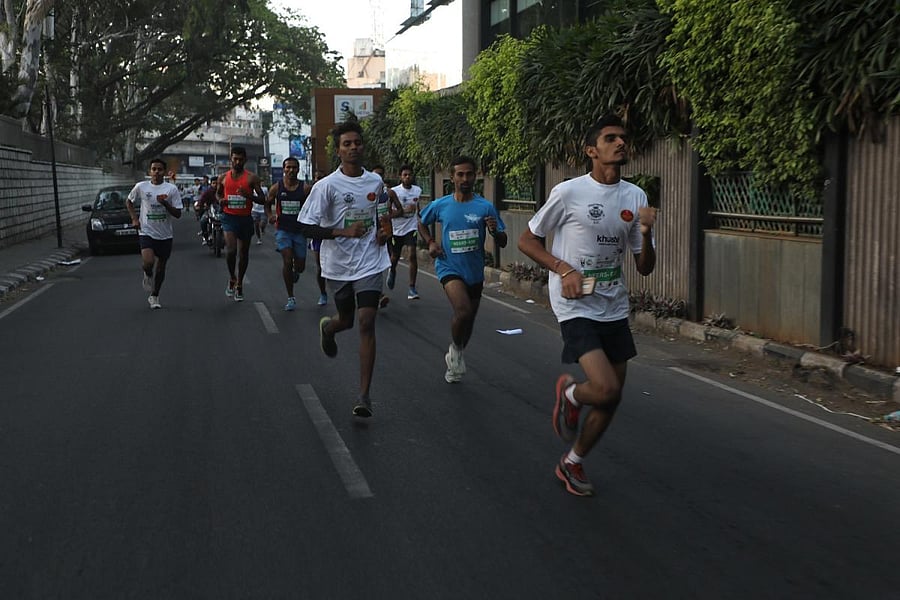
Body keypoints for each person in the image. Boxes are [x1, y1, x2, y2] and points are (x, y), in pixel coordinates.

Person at [517, 115, 657, 497]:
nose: (621, 143)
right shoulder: (568, 192)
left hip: (613, 303)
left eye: (623, 137)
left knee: (612, 399)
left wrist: (646, 233)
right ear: (591, 150)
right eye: (611, 138)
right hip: (574, 303)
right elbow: (527, 240)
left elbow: (645, 267)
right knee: (605, 388)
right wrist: (563, 269)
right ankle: (570, 395)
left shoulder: (635, 197)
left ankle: (572, 462)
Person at [298, 120, 392, 418]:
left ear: (363, 147)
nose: (353, 148)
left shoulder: (376, 183)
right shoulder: (326, 186)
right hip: (338, 265)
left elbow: (382, 214)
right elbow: (306, 227)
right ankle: (330, 328)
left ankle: (364, 396)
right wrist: (343, 232)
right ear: (338, 151)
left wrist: (384, 231)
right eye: (347, 144)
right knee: (347, 321)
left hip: (370, 261)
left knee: (366, 321)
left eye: (357, 143)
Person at [417, 155, 508, 383]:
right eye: (460, 174)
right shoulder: (441, 205)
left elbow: (503, 241)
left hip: (474, 271)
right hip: (449, 266)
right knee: (463, 310)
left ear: (475, 176)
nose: (465, 179)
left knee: (469, 321)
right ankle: (456, 353)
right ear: (452, 177)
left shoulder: (485, 207)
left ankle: (455, 353)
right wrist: (430, 242)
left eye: (469, 174)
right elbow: (421, 222)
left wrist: (495, 231)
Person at [126, 157, 183, 309]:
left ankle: (155, 295)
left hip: (165, 234)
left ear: (164, 172)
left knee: (161, 267)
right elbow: (129, 201)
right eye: (154, 169)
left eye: (160, 169)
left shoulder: (171, 189)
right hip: (146, 231)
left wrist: (165, 204)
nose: (156, 172)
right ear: (150, 171)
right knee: (148, 262)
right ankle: (147, 273)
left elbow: (178, 214)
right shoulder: (141, 186)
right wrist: (134, 219)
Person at [216, 147, 266, 302]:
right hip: (229, 217)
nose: (237, 162)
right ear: (230, 159)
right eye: (235, 159)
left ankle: (240, 283)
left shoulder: (252, 178)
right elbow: (218, 193)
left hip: (245, 219)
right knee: (231, 250)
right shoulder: (223, 177)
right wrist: (220, 200)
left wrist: (249, 196)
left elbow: (262, 199)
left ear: (245, 160)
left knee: (243, 253)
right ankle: (232, 277)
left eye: (240, 159)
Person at [266, 157, 311, 311]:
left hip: (299, 231)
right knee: (287, 260)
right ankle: (291, 297)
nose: (291, 170)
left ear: (298, 170)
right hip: (283, 230)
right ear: (284, 169)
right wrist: (270, 216)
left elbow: (313, 207)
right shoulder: (276, 188)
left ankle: (296, 272)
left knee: (300, 266)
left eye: (294, 167)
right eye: (288, 167)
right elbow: (267, 203)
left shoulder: (305, 188)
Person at [386, 165, 422, 300]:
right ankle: (392, 270)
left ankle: (412, 288)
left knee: (412, 254)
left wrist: (420, 215)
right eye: (405, 175)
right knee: (395, 256)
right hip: (397, 229)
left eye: (409, 175)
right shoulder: (394, 192)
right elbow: (388, 212)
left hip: (411, 227)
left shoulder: (417, 190)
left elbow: (418, 208)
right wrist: (404, 211)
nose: (407, 177)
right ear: (400, 177)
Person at [370, 165, 402, 309]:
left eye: (381, 175)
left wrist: (389, 216)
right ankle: (378, 294)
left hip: (387, 232)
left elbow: (400, 210)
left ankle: (392, 271)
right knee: (374, 263)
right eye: (375, 174)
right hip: (371, 234)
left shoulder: (389, 193)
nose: (378, 177)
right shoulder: (366, 194)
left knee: (390, 259)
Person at [308, 168, 329, 306]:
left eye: (320, 177)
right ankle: (323, 293)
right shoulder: (311, 193)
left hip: (333, 234)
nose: (318, 180)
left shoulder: (331, 191)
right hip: (318, 236)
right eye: (316, 178)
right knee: (320, 267)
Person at [195, 178, 219, 245]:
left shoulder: (223, 191)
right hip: (209, 210)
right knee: (203, 221)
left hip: (221, 212)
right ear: (211, 184)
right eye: (213, 183)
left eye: (217, 183)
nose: (215, 185)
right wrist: (199, 205)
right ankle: (205, 237)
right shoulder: (208, 192)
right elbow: (202, 199)